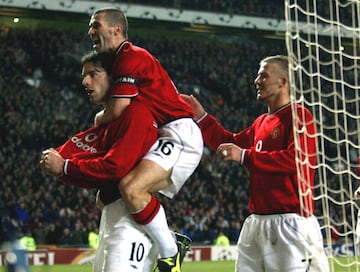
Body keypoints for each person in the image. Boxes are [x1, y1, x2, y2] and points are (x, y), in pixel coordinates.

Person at [181, 55, 330, 271]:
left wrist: (246, 156)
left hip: (290, 223)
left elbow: (296, 160)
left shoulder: (299, 116)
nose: (256, 81)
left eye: (263, 75)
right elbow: (229, 143)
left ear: (283, 82)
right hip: (256, 224)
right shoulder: (260, 123)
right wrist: (202, 117)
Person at [87, 7, 203, 271]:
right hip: (158, 132)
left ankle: (170, 251)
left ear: (117, 29)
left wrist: (96, 123)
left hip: (178, 133)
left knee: (131, 188)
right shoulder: (120, 61)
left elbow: (118, 109)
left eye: (96, 25)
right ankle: (170, 241)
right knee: (109, 196)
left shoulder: (129, 56)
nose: (91, 31)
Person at [41, 51, 159, 271]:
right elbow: (87, 156)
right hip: (114, 215)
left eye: (93, 74)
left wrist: (65, 167)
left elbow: (114, 167)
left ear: (114, 77)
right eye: (84, 76)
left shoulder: (136, 114)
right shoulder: (109, 120)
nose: (85, 81)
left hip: (130, 220)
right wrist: (59, 162)